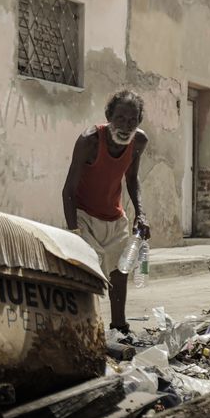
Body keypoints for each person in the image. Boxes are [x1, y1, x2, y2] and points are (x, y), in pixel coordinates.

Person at [62, 90, 150, 334]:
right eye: (120, 118)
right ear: (109, 117)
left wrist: (141, 213)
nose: (125, 125)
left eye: (132, 120)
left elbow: (132, 179)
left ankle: (119, 327)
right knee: (87, 273)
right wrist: (74, 232)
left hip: (114, 217)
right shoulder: (89, 140)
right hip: (84, 215)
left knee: (119, 274)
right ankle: (83, 329)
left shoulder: (138, 142)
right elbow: (68, 189)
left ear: (139, 121)